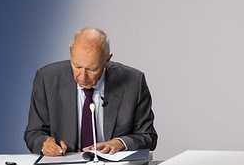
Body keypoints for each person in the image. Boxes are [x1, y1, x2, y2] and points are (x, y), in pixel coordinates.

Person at [24, 27, 157, 156]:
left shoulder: (134, 82)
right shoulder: (47, 79)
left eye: (92, 69)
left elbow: (148, 136)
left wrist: (120, 143)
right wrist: (45, 144)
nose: (82, 77)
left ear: (107, 60)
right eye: (77, 66)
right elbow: (33, 133)